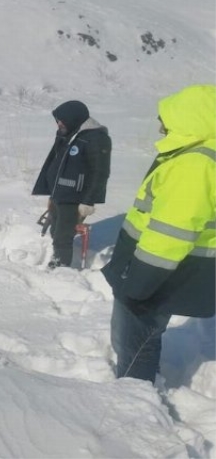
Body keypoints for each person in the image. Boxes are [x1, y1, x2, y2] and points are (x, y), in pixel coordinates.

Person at [102, 85, 215, 382]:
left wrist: (138, 285)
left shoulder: (195, 164)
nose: (160, 124)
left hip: (154, 273)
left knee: (135, 344)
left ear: (191, 118)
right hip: (163, 270)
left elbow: (171, 233)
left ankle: (134, 400)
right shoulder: (196, 156)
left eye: (166, 118)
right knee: (140, 338)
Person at [32, 100, 112, 268]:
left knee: (63, 235)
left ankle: (60, 266)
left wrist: (88, 201)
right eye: (57, 120)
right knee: (55, 230)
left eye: (62, 120)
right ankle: (58, 254)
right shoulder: (69, 133)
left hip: (75, 198)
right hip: (59, 194)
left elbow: (100, 173)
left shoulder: (97, 139)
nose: (59, 123)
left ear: (74, 118)